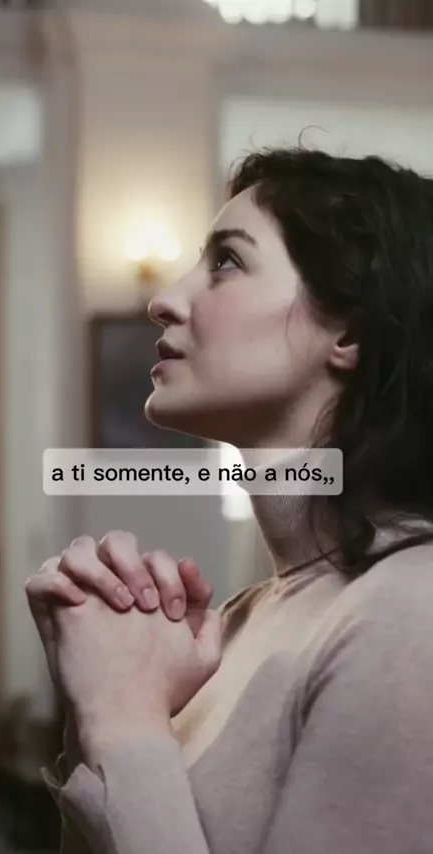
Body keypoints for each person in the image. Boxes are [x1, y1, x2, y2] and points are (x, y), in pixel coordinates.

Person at [26, 147, 433, 854]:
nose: (163, 300)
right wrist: (100, 702)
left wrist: (124, 717)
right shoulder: (242, 621)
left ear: (350, 332)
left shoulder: (411, 610)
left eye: (226, 262)